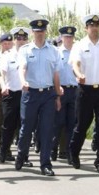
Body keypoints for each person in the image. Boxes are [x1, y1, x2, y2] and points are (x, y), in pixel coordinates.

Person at [69, 14, 99, 175]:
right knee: (81, 125)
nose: (94, 27)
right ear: (86, 28)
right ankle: (74, 153)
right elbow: (75, 64)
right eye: (91, 25)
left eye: (97, 25)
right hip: (85, 90)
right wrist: (78, 75)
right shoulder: (80, 45)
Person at [15, 19, 62, 176]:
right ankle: (21, 154)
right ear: (33, 32)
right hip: (31, 93)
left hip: (48, 94)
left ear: (45, 32)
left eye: (42, 31)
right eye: (36, 31)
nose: (39, 33)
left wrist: (57, 95)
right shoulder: (25, 50)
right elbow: (22, 68)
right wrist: (23, 81)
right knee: (26, 129)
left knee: (47, 130)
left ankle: (45, 164)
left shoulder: (54, 51)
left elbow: (56, 74)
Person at [0, 26, 33, 167]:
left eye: (24, 38)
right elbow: (1, 74)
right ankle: (4, 150)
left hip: (28, 94)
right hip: (11, 94)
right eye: (18, 38)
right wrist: (3, 86)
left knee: (25, 126)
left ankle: (23, 155)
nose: (21, 40)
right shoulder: (8, 55)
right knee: (9, 125)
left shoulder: (31, 54)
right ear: (14, 40)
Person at [51, 26, 78, 164]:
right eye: (66, 37)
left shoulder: (77, 52)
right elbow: (53, 73)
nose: (68, 39)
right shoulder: (56, 52)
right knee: (58, 122)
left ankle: (67, 152)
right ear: (61, 38)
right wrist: (56, 91)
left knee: (71, 123)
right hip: (60, 91)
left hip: (74, 90)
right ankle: (53, 148)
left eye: (71, 37)